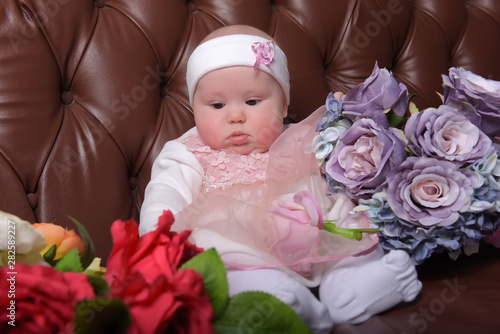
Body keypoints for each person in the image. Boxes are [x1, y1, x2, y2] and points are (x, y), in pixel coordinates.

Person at [140, 25, 421, 333]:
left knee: (349, 228)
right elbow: (164, 196)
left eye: (252, 102)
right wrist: (155, 243)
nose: (235, 116)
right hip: (236, 247)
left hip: (312, 236)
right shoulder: (186, 152)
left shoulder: (303, 138)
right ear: (194, 110)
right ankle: (276, 299)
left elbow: (332, 183)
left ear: (284, 104)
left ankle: (350, 287)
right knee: (225, 269)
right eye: (217, 105)